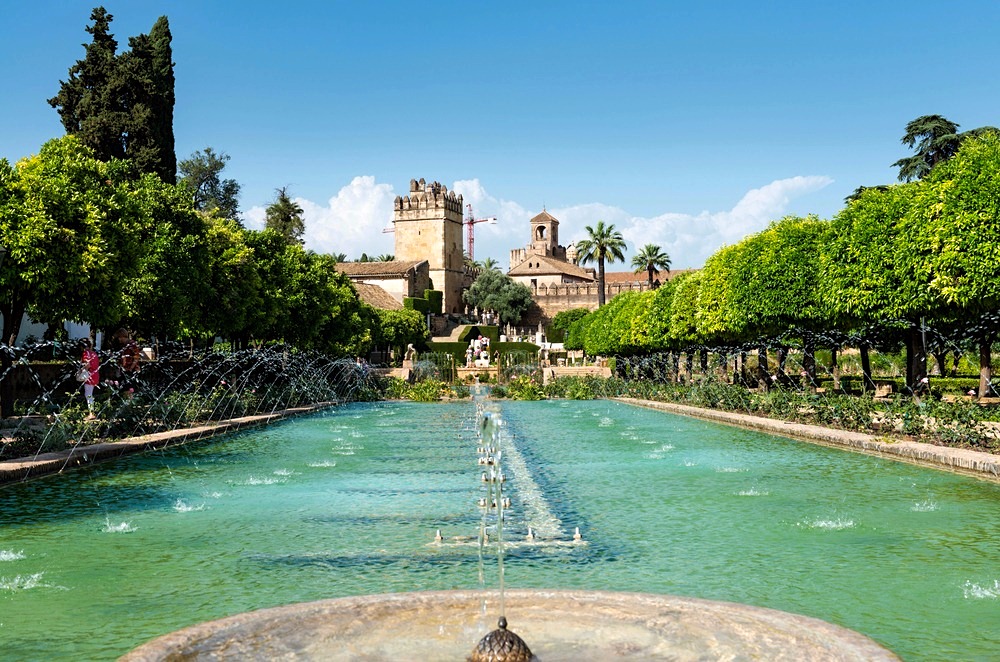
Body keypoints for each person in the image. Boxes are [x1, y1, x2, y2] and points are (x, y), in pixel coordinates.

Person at [81, 338, 100, 417]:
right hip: (95, 374)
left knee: (88, 394)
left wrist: (82, 368)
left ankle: (91, 413)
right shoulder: (94, 353)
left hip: (89, 375)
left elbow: (87, 365)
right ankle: (92, 412)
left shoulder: (85, 353)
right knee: (90, 393)